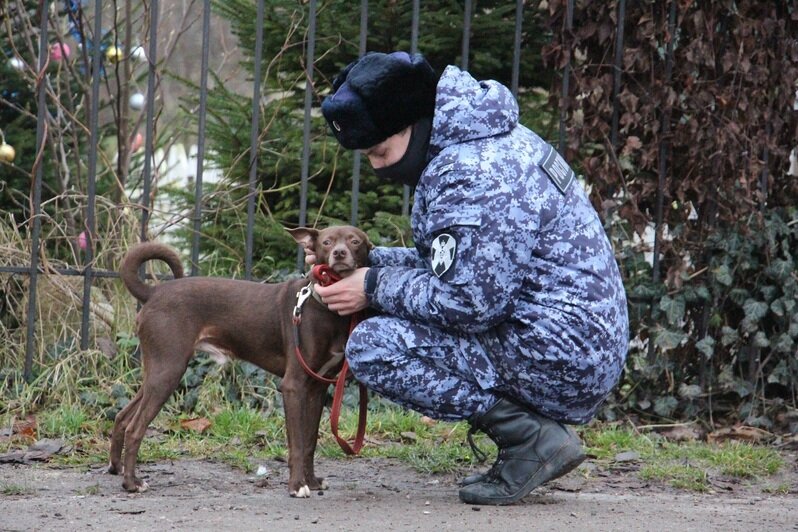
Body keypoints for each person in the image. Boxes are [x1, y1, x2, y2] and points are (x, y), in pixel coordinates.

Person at [310, 51, 629, 506]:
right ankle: (531, 437)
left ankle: (532, 441)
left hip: (562, 355)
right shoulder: (479, 138)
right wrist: (371, 262)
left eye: (380, 151)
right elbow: (455, 264)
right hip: (569, 338)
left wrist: (372, 286)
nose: (378, 167)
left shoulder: (470, 172)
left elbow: (469, 303)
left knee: (373, 347)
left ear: (412, 123)